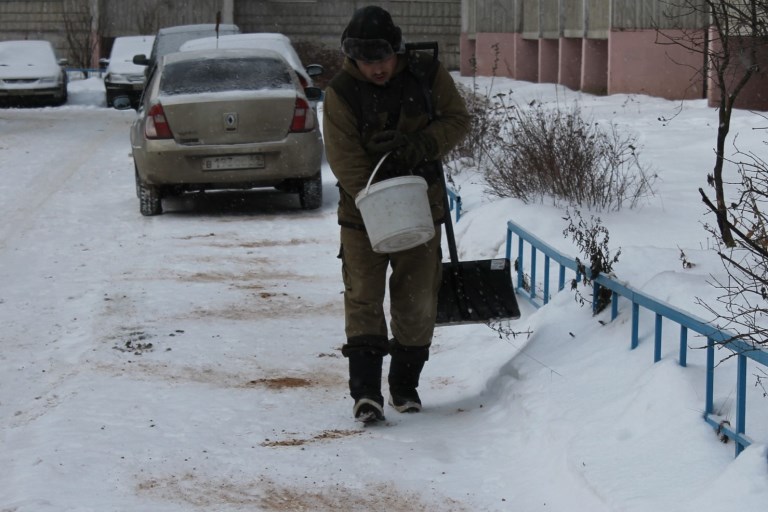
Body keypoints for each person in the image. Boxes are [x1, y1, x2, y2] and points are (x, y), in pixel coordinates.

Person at [323, 5, 471, 423]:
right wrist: (378, 192)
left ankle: (404, 384)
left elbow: (457, 120)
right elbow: (344, 158)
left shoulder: (425, 75)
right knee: (363, 298)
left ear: (397, 49)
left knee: (417, 301)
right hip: (362, 216)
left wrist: (419, 145)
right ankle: (366, 393)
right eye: (366, 62)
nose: (376, 70)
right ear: (354, 58)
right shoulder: (341, 92)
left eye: (382, 59)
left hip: (422, 209)